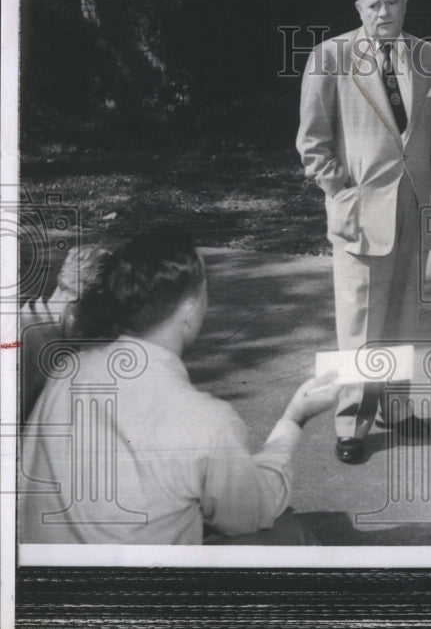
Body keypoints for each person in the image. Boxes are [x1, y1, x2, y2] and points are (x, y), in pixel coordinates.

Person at [20, 233, 338, 545]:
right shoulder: (205, 419)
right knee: (288, 532)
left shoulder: (66, 374)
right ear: (189, 311)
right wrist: (294, 418)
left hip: (50, 573)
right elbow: (258, 509)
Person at [297, 0, 431, 463]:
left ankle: (398, 407)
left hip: (415, 207)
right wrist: (342, 193)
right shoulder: (331, 58)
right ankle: (351, 423)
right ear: (358, 9)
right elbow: (313, 143)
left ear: (405, 1)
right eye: (372, 5)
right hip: (360, 215)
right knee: (360, 326)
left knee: (405, 317)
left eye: (391, 1)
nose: (383, 13)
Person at [19, 245, 111, 424]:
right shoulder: (20, 344)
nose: (99, 331)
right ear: (72, 298)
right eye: (98, 319)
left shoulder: (57, 338)